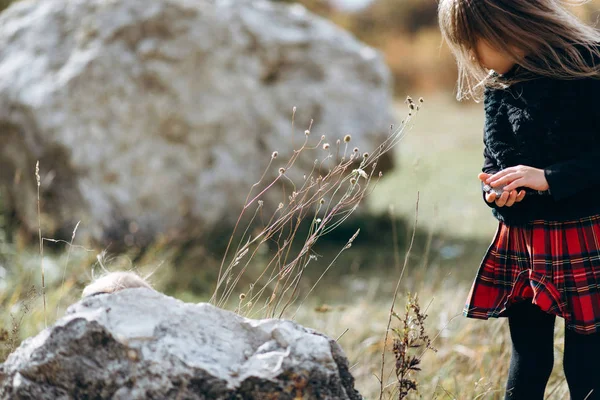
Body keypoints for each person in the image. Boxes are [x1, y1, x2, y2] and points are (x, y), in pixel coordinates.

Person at [437, 1, 600, 399]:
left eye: (471, 43)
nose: (472, 57)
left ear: (504, 26)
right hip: (523, 240)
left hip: (586, 235)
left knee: (587, 356)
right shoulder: (500, 84)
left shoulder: (588, 65)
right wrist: (496, 193)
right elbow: (494, 160)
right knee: (529, 354)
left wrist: (549, 179)